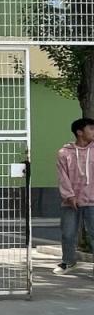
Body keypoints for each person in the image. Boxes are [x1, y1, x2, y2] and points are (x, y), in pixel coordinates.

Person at [54, 117, 94, 275]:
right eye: (91, 129)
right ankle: (68, 262)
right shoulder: (64, 153)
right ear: (79, 132)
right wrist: (69, 196)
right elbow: (62, 176)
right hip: (70, 201)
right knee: (68, 233)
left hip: (92, 200)